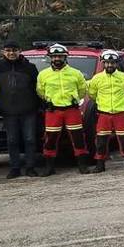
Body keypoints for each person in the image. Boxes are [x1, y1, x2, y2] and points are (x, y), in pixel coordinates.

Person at [35, 43, 91, 176]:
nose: (57, 59)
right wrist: (51, 101)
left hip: (72, 110)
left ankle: (82, 165)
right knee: (50, 139)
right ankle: (49, 167)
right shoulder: (43, 74)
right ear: (50, 58)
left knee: (78, 138)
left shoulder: (76, 73)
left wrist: (74, 99)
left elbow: (82, 90)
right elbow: (40, 91)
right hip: (53, 111)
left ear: (65, 57)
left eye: (59, 56)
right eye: (54, 57)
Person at [0, 41, 39, 178]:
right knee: (12, 140)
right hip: (8, 111)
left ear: (20, 51)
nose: (11, 53)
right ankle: (15, 168)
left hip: (29, 110)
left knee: (29, 139)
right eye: (8, 50)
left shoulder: (30, 67)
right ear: (3, 52)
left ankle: (30, 167)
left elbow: (38, 88)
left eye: (14, 50)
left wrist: (39, 106)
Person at [88, 49, 124, 172]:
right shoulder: (97, 78)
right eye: (106, 63)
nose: (109, 65)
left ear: (116, 63)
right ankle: (100, 164)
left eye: (112, 63)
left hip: (120, 114)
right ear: (103, 63)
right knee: (101, 141)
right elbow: (92, 94)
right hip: (104, 114)